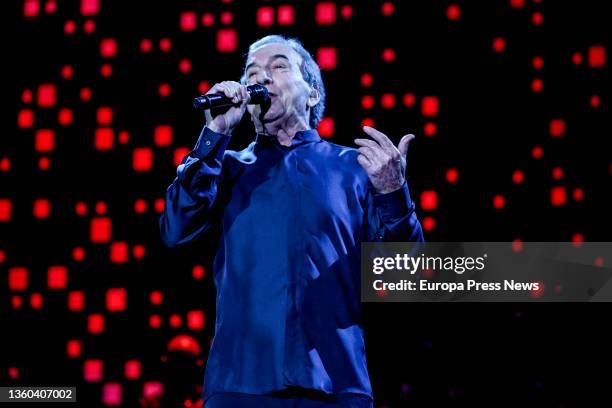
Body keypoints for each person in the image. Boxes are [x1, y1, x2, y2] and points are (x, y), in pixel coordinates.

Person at [159, 35, 424, 408]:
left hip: (335, 384)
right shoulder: (226, 167)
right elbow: (174, 230)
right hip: (241, 386)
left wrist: (394, 195)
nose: (262, 79)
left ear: (312, 94)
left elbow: (405, 278)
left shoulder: (356, 169)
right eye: (252, 72)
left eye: (278, 66)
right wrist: (214, 135)